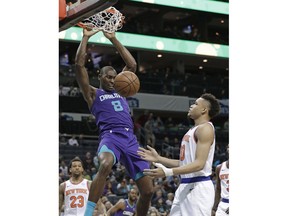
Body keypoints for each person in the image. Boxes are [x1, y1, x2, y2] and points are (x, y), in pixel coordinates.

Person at [74, 27, 154, 216]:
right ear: (100, 77)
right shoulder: (93, 93)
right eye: (108, 77)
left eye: (114, 77)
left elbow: (132, 65)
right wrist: (85, 37)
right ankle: (89, 213)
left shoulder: (121, 90)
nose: (112, 80)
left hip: (130, 139)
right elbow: (79, 66)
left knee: (148, 191)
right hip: (111, 138)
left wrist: (113, 38)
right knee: (106, 164)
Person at [138, 93, 221, 216]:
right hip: (185, 185)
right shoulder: (192, 130)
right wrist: (159, 158)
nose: (191, 106)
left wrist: (168, 172)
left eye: (196, 104)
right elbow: (185, 163)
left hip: (198, 188)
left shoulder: (205, 129)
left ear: (204, 110)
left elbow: (199, 164)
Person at [212, 145, 229, 216]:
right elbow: (218, 189)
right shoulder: (219, 167)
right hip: (222, 205)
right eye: (228, 146)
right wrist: (214, 208)